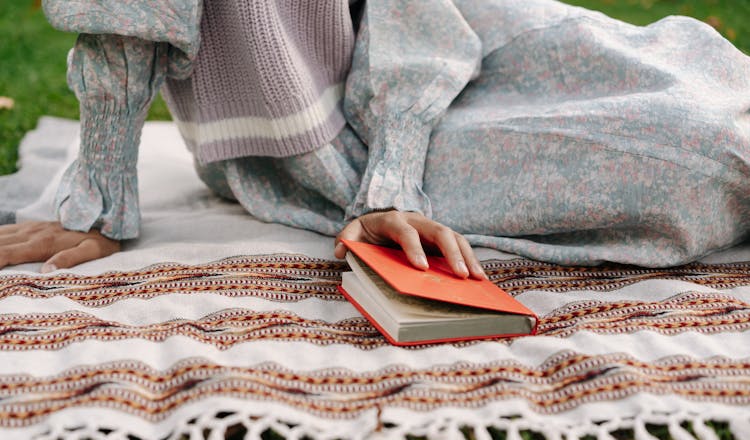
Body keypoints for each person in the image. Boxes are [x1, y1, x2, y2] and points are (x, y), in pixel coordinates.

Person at [1, 0, 748, 276]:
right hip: (326, 134)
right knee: (703, 154)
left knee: (689, 77)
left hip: (446, 39)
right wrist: (98, 200)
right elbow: (123, 26)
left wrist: (394, 181)